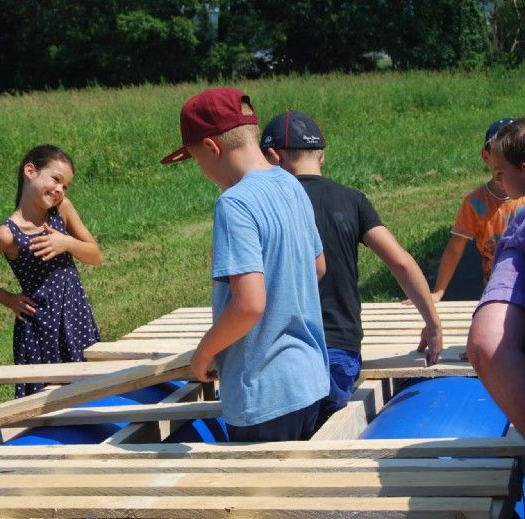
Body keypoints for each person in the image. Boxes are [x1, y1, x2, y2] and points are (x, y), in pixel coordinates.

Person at [161, 88, 329, 442]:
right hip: (309, 379)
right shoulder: (291, 183)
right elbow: (318, 267)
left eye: (196, 160)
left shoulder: (234, 204)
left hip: (263, 393)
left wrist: (204, 353)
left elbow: (249, 304)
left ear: (212, 147)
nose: (203, 171)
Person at [260, 111, 443, 429]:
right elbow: (400, 262)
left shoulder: (262, 204)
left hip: (281, 352)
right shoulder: (351, 200)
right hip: (338, 351)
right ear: (322, 157)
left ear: (273, 157)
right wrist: (432, 324)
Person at [0, 144, 103, 397]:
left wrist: (66, 242)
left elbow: (95, 255)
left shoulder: (63, 210)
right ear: (30, 171)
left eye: (65, 186)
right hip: (41, 327)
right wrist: (9, 299)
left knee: (90, 387)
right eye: (56, 179)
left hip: (76, 315)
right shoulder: (7, 234)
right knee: (46, 398)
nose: (59, 190)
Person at [414, 118, 525, 303]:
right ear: (487, 156)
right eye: (499, 171)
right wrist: (439, 291)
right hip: (496, 290)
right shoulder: (475, 204)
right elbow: (455, 248)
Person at [467, 118, 525, 435]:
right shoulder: (476, 202)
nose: (498, 179)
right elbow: (456, 244)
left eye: (503, 172)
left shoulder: (520, 225)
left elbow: (486, 344)